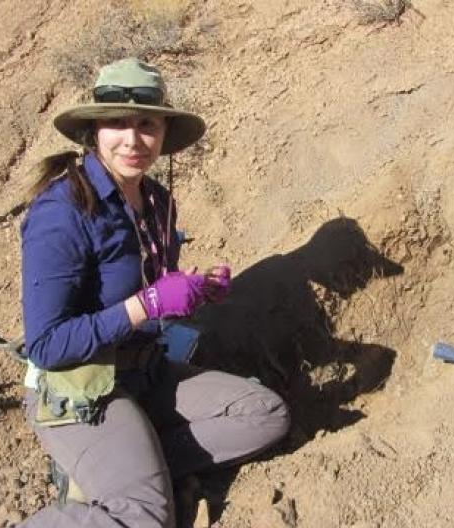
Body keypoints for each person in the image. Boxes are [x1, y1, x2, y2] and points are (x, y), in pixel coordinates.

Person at [18, 57, 290, 527]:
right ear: (93, 131)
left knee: (264, 413)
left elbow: (153, 293)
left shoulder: (157, 201)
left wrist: (195, 291)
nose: (133, 139)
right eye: (116, 123)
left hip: (145, 372)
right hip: (83, 386)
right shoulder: (62, 212)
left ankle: (127, 470)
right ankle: (124, 483)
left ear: (164, 132)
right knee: (145, 519)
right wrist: (144, 306)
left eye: (146, 124)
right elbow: (46, 346)